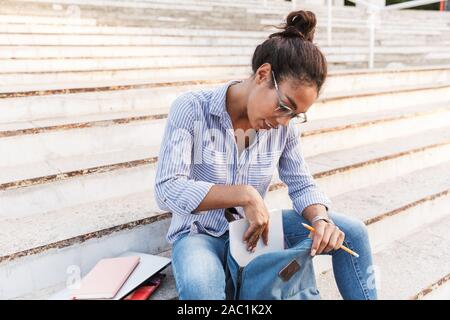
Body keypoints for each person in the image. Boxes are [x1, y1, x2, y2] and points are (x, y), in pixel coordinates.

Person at [154, 10, 378, 300]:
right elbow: (167, 188)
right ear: (262, 75)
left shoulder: (282, 128)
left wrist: (321, 220)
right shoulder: (192, 108)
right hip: (199, 234)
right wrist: (245, 195)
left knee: (352, 232)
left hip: (254, 234)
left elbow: (301, 183)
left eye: (296, 115)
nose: (284, 121)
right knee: (201, 289)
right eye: (284, 106)